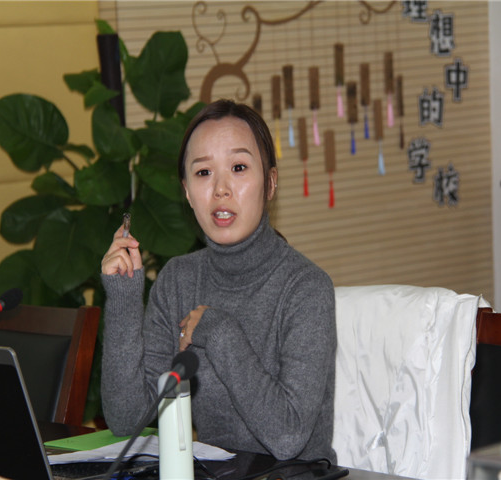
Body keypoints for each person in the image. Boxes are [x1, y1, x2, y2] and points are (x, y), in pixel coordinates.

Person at [101, 99, 337, 463]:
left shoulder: (307, 289)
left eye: (239, 168)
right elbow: (126, 419)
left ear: (270, 183)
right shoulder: (178, 280)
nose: (221, 189)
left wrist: (218, 330)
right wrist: (124, 299)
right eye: (203, 172)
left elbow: (288, 437)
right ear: (187, 191)